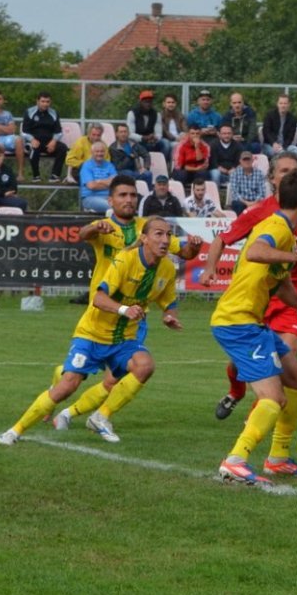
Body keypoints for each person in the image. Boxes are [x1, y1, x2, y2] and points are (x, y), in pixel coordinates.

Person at [0, 218, 182, 446]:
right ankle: (15, 431)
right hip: (92, 334)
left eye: (168, 235)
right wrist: (125, 309)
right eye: (158, 234)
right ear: (144, 238)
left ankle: (100, 416)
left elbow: (168, 300)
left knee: (145, 366)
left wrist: (169, 315)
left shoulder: (166, 269)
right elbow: (98, 297)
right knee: (67, 386)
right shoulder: (125, 259)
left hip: (123, 338)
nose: (165, 240)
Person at [211, 171, 297, 485]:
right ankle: (235, 461)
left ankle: (277, 458)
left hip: (251, 323)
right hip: (238, 322)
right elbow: (256, 252)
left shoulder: (283, 231)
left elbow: (280, 280)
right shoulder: (276, 228)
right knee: (273, 399)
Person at [52, 177, 199, 426]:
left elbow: (184, 252)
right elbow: (81, 235)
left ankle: (73, 415)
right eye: (122, 195)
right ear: (111, 200)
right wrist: (96, 228)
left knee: (118, 378)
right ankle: (59, 397)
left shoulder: (150, 229)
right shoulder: (104, 226)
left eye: (132, 195)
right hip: (103, 310)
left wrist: (194, 246)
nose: (128, 200)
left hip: (133, 315)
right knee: (79, 379)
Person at [22, 91, 69, 181]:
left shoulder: (54, 113)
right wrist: (32, 139)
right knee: (33, 149)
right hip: (34, 142)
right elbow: (24, 132)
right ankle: (36, 176)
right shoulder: (29, 112)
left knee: (63, 148)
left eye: (47, 102)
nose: (45, 104)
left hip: (49, 143)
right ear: (37, 101)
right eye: (43, 101)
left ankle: (55, 176)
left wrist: (53, 142)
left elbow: (58, 132)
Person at [127, 90, 171, 160]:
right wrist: (143, 138)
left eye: (150, 102)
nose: (148, 104)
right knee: (133, 145)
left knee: (166, 143)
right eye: (146, 102)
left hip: (151, 142)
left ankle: (162, 165)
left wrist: (155, 138)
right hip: (138, 142)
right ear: (140, 102)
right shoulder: (132, 113)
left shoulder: (156, 114)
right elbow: (129, 134)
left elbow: (159, 133)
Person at [79, 142, 116, 213]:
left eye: (102, 151)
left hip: (109, 197)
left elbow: (115, 183)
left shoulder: (110, 165)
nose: (100, 154)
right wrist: (108, 182)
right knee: (114, 207)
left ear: (105, 153)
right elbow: (91, 186)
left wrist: (99, 181)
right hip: (90, 198)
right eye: (97, 151)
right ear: (92, 152)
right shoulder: (86, 166)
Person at [229, 150, 268, 215]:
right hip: (241, 202)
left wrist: (254, 203)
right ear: (240, 161)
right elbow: (234, 193)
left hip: (256, 201)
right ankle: (240, 224)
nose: (247, 162)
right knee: (238, 204)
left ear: (252, 160)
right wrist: (246, 203)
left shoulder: (260, 174)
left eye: (248, 159)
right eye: (244, 160)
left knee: (263, 205)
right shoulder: (235, 174)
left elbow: (262, 192)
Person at [208, 124, 242, 189]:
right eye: (224, 133)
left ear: (232, 134)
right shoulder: (213, 145)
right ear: (219, 134)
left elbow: (239, 161)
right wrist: (220, 168)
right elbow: (212, 161)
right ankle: (216, 194)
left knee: (236, 173)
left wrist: (234, 168)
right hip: (217, 170)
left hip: (232, 170)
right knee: (215, 174)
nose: (227, 136)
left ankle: (232, 196)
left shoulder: (238, 146)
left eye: (229, 133)